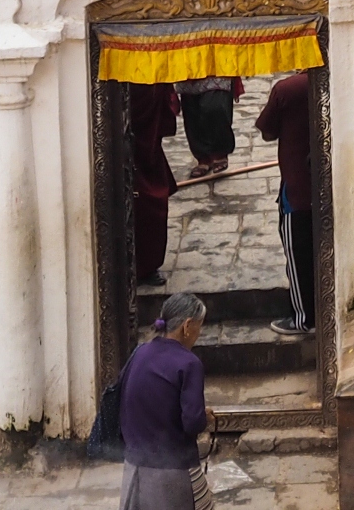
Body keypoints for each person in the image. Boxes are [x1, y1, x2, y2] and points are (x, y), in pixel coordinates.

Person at [119, 290, 213, 510]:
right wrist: (204, 417)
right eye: (199, 326)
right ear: (187, 326)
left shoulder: (140, 352)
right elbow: (192, 423)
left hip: (133, 469)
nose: (199, 333)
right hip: (173, 473)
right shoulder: (189, 364)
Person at [254, 67, 315, 335]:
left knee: (298, 255)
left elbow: (267, 131)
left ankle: (304, 319)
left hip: (298, 187)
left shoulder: (288, 89)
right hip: (333, 186)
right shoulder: (338, 80)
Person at [130, 84, 181, 287]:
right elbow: (169, 118)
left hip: (145, 152)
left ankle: (145, 267)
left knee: (149, 208)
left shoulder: (153, 81)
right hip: (126, 152)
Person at [176, 74, 242, 178]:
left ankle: (220, 151)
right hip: (189, 67)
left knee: (214, 107)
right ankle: (203, 157)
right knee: (192, 110)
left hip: (216, 66)